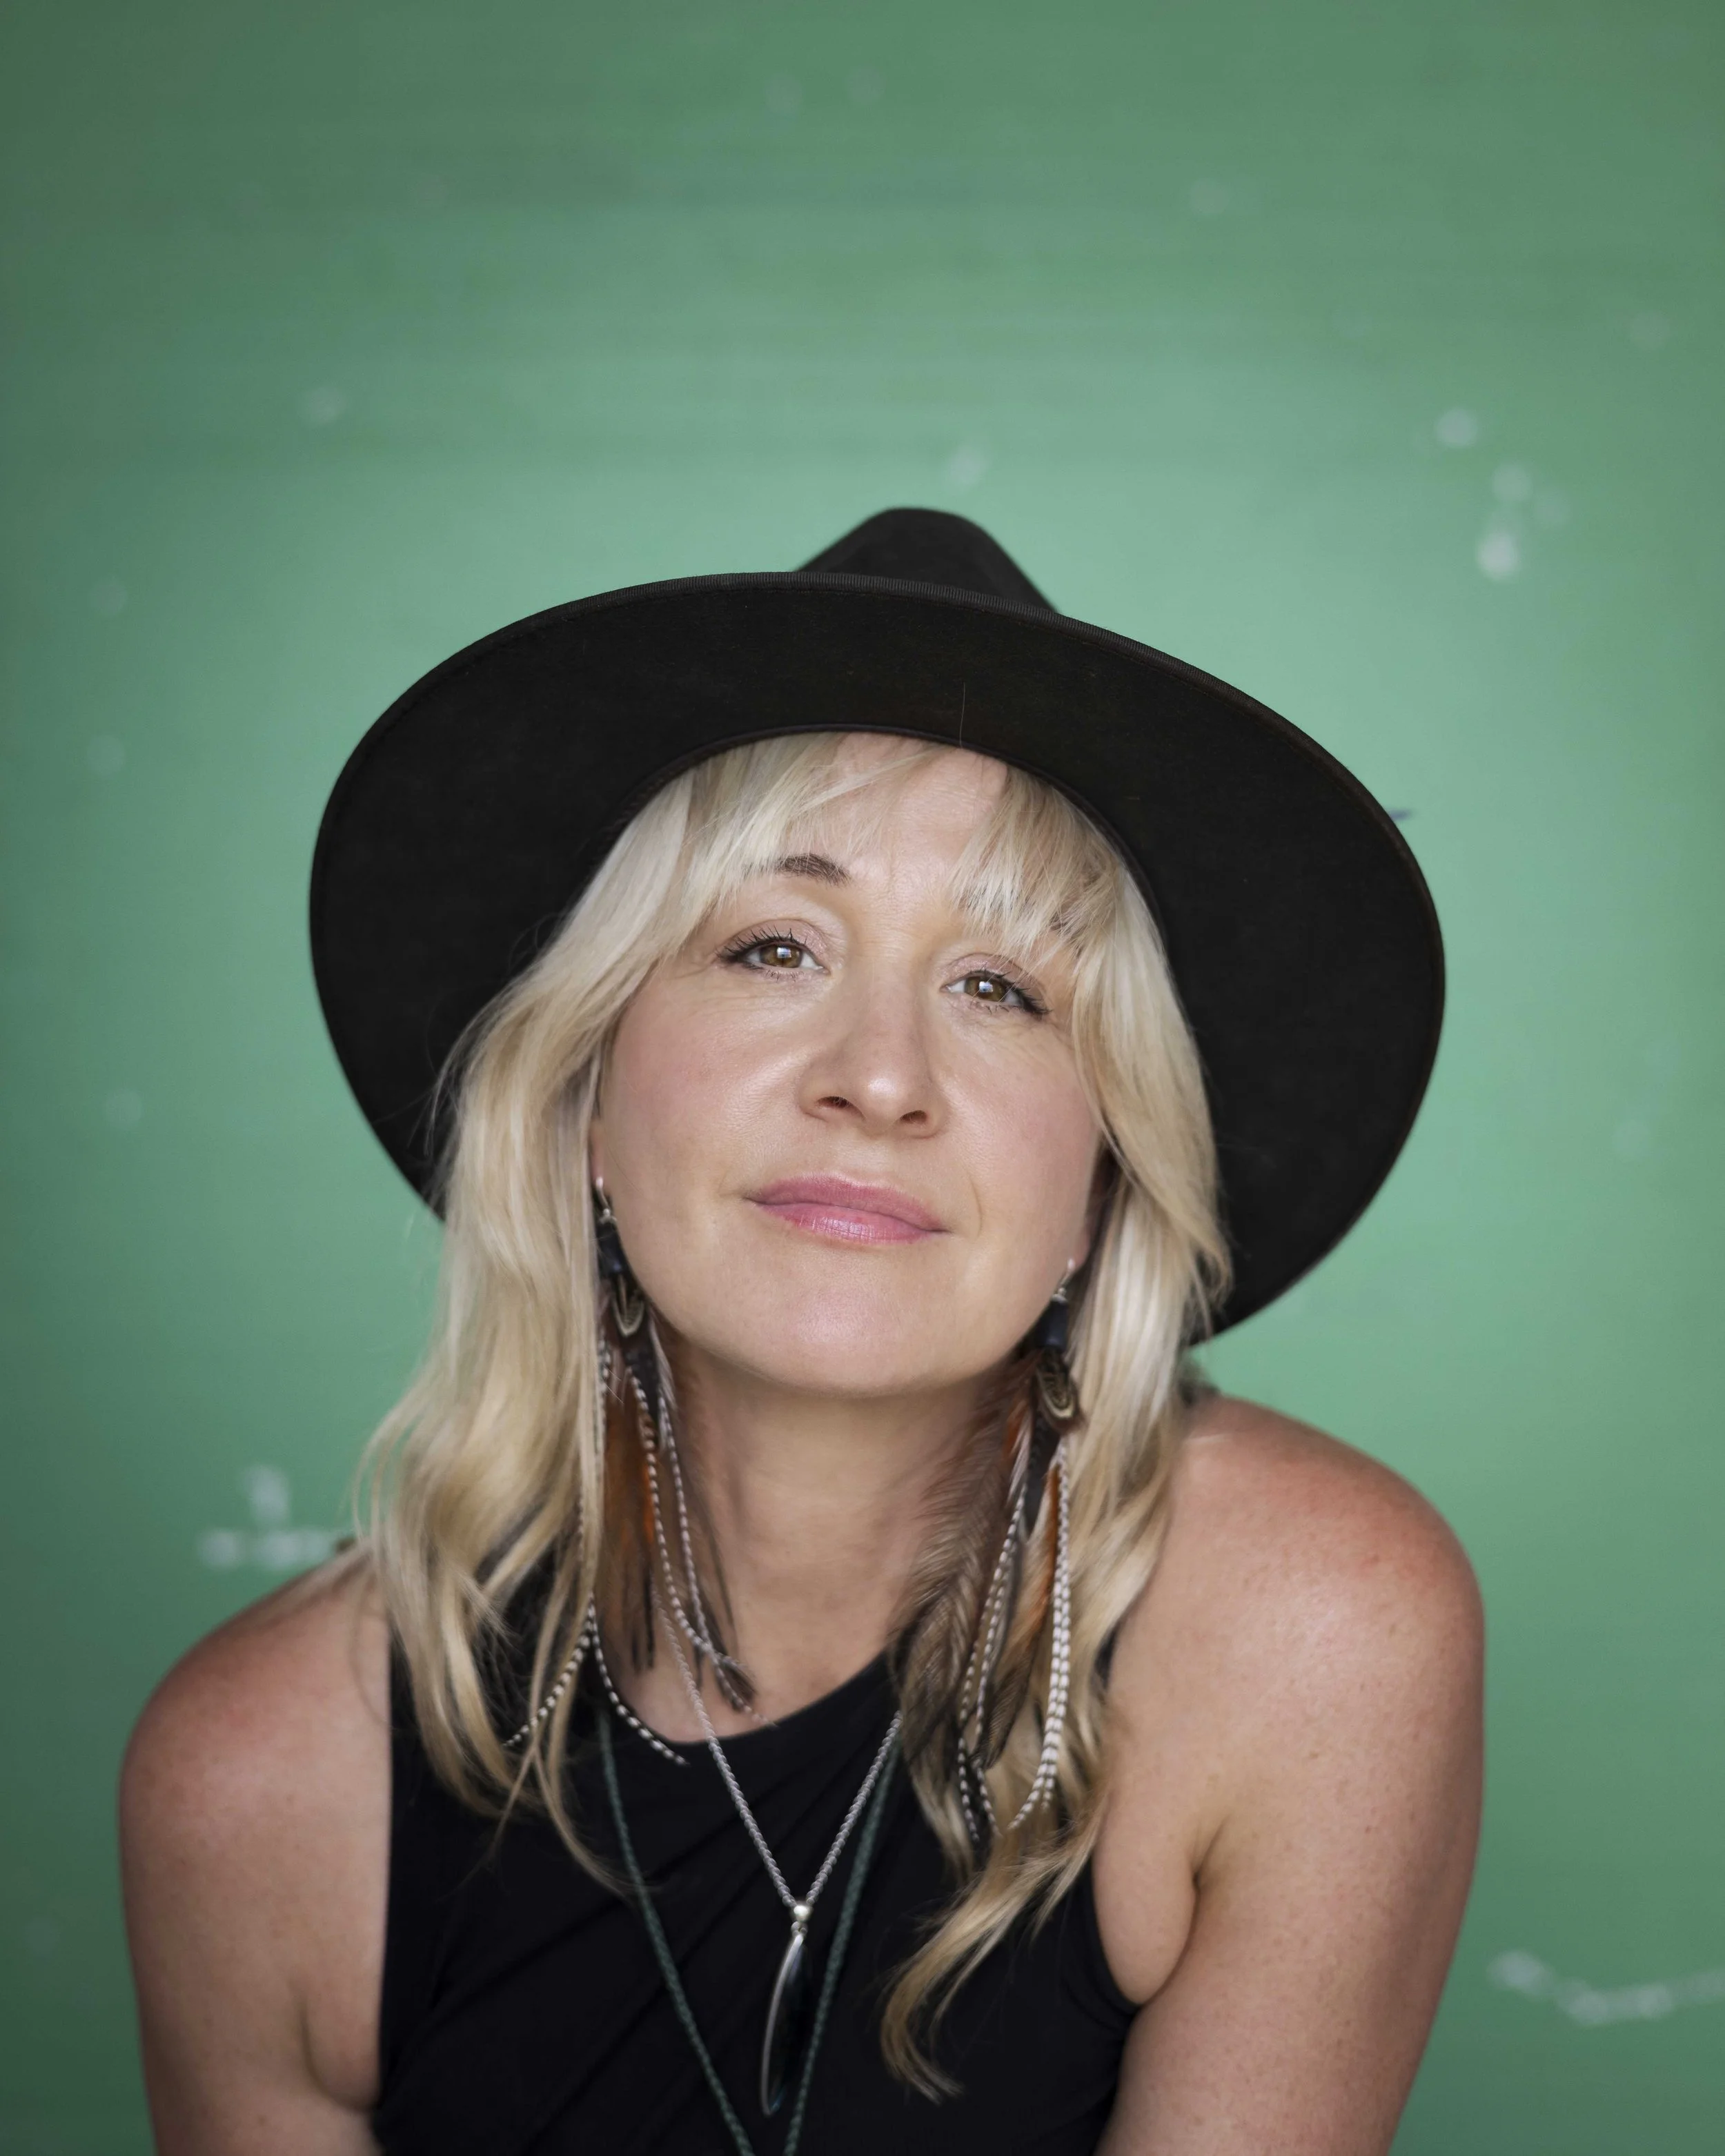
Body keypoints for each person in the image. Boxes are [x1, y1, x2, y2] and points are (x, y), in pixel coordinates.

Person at [120, 511, 1482, 2155]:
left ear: (1102, 1179)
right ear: (584, 1112)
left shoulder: (1307, 1626)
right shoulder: (265, 1776)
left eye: (1003, 987)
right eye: (773, 945)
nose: (882, 1074)